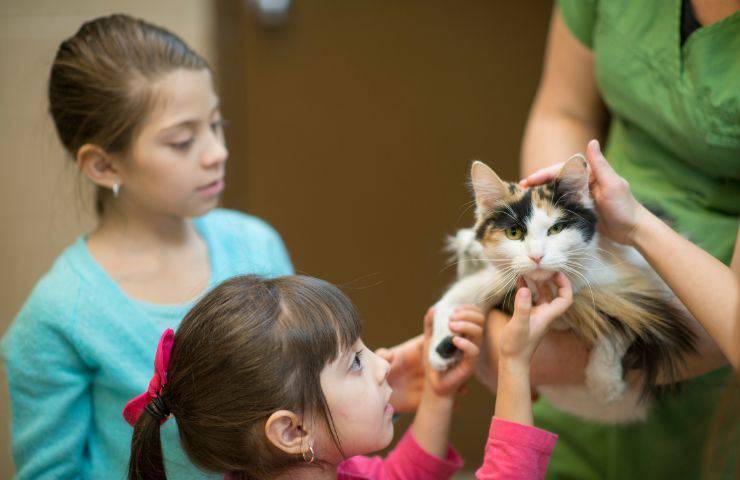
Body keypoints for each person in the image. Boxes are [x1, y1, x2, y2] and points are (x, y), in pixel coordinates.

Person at [1, 14, 292, 479]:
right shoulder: (59, 317)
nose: (217, 151)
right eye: (182, 141)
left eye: (216, 124)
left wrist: (387, 390)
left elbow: (306, 404)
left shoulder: (256, 245)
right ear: (103, 166)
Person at [509, 1, 739, 477]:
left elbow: (733, 324)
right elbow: (564, 110)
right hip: (596, 252)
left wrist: (537, 359)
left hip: (703, 319)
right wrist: (566, 216)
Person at [126, 273, 574, 479]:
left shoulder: (312, 467)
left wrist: (437, 396)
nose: (383, 362)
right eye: (356, 362)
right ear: (292, 429)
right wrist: (515, 366)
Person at [521, 139, 740, 370]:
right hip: (599, 213)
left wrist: (635, 223)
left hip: (702, 301)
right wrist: (552, 200)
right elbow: (565, 113)